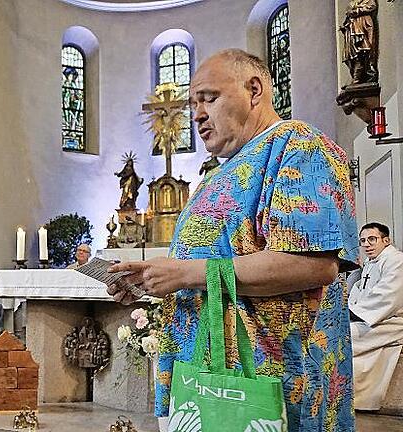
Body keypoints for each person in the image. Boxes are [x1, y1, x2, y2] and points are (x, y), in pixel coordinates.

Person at [106, 49, 359, 431]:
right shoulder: (215, 176)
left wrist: (187, 274)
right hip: (205, 377)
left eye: (208, 98)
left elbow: (313, 264)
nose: (196, 115)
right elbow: (205, 265)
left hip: (267, 381)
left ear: (254, 90)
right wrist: (151, 281)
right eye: (192, 103)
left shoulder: (298, 147)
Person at [349, 222, 403, 410]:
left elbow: (389, 294)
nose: (366, 244)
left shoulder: (396, 260)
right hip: (372, 318)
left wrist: (354, 313)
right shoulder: (371, 264)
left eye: (372, 239)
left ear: (386, 240)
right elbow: (358, 291)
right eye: (363, 240)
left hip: (392, 321)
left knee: (343, 337)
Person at [339, 0, 379, 86]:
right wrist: (345, 26)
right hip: (352, 29)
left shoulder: (367, 0)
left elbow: (372, 6)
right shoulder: (352, 3)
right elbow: (348, 15)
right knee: (351, 56)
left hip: (363, 25)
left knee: (362, 52)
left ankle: (360, 78)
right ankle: (355, 77)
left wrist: (357, 11)